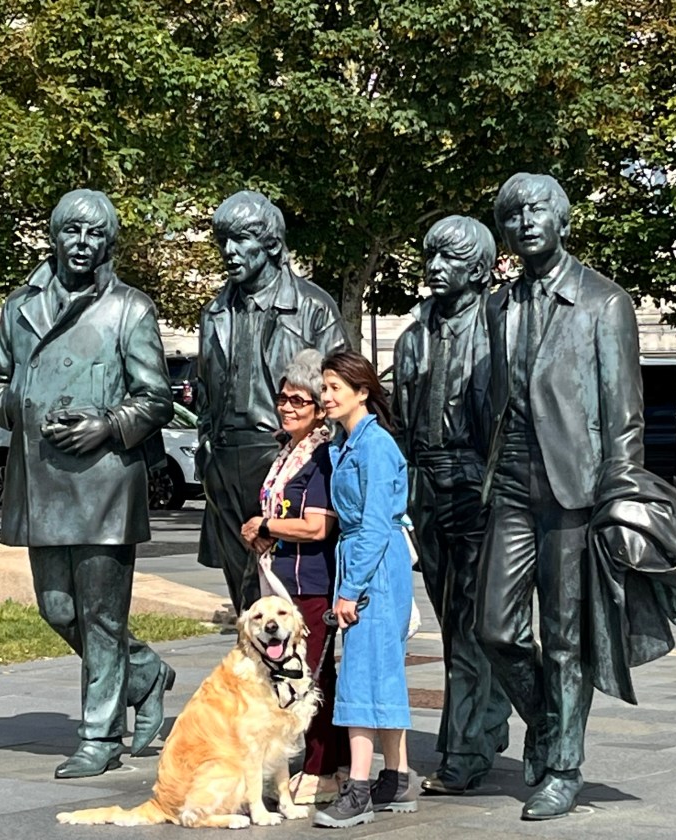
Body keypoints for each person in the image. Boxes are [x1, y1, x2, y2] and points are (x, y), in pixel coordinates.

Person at [0, 189, 176, 779]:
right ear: (55, 236)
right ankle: (145, 673)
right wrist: (20, 403)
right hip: (41, 478)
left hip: (105, 482)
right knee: (57, 608)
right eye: (73, 231)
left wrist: (108, 424)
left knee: (101, 615)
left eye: (96, 234)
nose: (83, 244)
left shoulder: (129, 309)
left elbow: (155, 398)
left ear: (109, 243)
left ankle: (100, 735)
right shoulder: (19, 307)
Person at [475, 173, 644, 820]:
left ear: (563, 220)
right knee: (495, 628)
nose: (525, 221)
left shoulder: (604, 302)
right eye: (512, 213)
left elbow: (624, 416)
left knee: (565, 635)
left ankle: (564, 766)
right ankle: (550, 721)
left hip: (576, 487)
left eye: (537, 209)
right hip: (511, 480)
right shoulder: (498, 305)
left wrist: (620, 497)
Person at [392, 216, 511, 794]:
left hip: (481, 488)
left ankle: (465, 749)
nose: (434, 268)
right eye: (430, 256)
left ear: (480, 270)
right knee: (454, 620)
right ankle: (490, 713)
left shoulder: (501, 330)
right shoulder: (413, 337)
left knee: (470, 625)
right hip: (427, 489)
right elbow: (402, 420)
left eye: (449, 259)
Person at [196, 190, 350, 615]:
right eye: (223, 241)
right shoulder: (215, 312)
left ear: (271, 244)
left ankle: (295, 661)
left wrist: (319, 460)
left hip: (286, 458)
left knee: (289, 593)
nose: (229, 251)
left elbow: (340, 392)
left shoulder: (313, 307)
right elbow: (206, 391)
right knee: (245, 599)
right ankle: (255, 661)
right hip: (225, 461)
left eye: (241, 239)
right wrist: (206, 452)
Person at [240, 348, 350, 805]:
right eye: (283, 398)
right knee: (293, 674)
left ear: (319, 408)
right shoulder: (288, 452)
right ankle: (325, 762)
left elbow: (318, 526)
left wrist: (265, 525)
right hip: (282, 580)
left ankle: (325, 767)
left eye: (298, 401)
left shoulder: (321, 457)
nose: (287, 407)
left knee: (312, 676)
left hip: (311, 583)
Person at [312, 350, 416, 829]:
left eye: (335, 387)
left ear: (362, 391)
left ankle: (358, 789)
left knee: (361, 672)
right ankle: (396, 778)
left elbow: (374, 525)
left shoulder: (373, 446)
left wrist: (349, 590)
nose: (326, 396)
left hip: (373, 564)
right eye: (324, 387)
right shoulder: (350, 443)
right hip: (370, 558)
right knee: (383, 669)